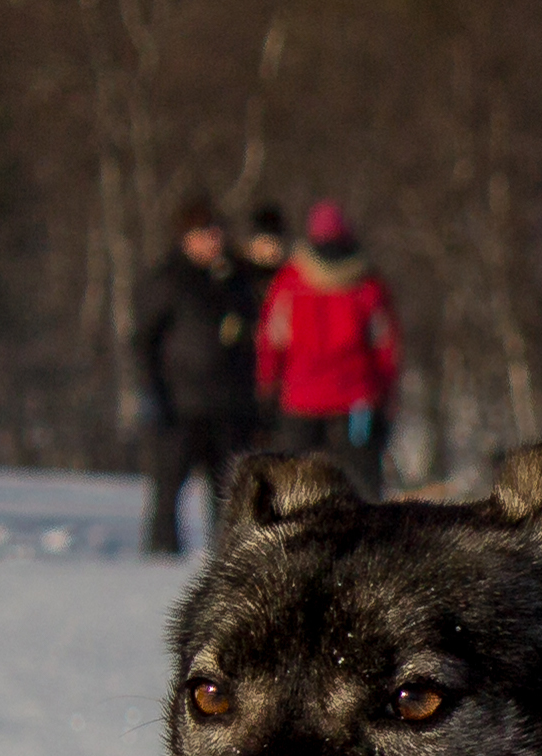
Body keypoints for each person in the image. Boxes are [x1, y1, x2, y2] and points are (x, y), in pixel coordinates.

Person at [129, 196, 266, 556]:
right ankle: (161, 556)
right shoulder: (168, 279)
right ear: (186, 237)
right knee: (168, 491)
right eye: (204, 234)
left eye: (217, 232)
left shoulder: (234, 277)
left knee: (229, 496)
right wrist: (154, 392)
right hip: (181, 404)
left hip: (230, 404)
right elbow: (143, 341)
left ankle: (228, 564)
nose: (213, 241)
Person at [256, 200, 403, 492]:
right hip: (356, 401)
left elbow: (272, 339)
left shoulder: (290, 281)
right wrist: (387, 393)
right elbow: (386, 347)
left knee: (294, 490)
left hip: (300, 400)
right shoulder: (367, 284)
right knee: (363, 488)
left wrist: (267, 383)